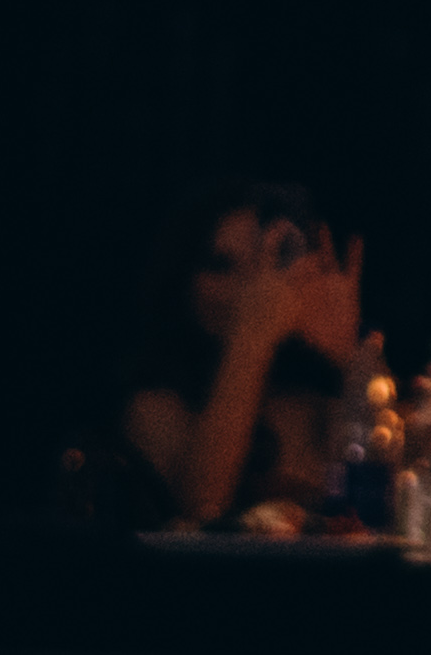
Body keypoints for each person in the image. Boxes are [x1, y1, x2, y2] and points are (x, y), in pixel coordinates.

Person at [118, 183, 362, 528]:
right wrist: (252, 337)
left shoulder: (306, 402)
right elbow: (203, 508)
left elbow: (389, 495)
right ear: (183, 279)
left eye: (266, 265)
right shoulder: (155, 408)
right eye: (221, 265)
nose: (251, 286)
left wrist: (350, 362)